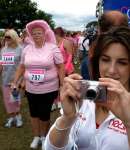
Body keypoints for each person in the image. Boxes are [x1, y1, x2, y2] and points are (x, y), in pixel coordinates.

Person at [44, 26, 130, 150]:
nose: (111, 70)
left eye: (122, 62)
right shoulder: (83, 96)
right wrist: (67, 119)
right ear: (97, 62)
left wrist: (128, 124)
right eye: (105, 60)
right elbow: (50, 148)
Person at [11, 20, 65, 150]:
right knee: (33, 113)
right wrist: (15, 81)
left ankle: (44, 136)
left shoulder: (52, 48)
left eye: (39, 33)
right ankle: (36, 136)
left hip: (49, 88)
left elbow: (60, 66)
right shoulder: (27, 49)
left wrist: (62, 84)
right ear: (31, 35)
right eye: (34, 33)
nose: (36, 35)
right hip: (31, 88)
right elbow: (22, 66)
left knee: (44, 114)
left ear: (44, 34)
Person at [81, 10, 129, 80]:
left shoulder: (89, 58)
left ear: (100, 30)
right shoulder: (91, 58)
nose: (112, 71)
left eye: (122, 63)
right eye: (105, 60)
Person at [0, 29, 23, 128]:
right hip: (5, 79)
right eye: (5, 37)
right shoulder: (3, 50)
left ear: (14, 37)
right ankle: (11, 117)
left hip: (16, 80)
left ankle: (18, 117)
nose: (6, 39)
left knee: (15, 99)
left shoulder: (20, 49)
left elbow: (23, 66)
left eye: (8, 37)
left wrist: (22, 80)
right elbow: (1, 65)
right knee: (6, 100)